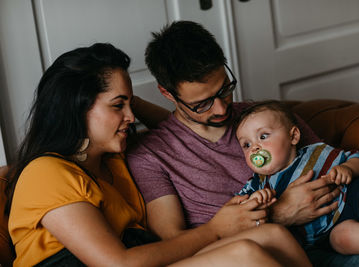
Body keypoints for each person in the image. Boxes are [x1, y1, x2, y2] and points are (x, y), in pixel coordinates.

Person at [4, 43, 311, 266]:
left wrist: (136, 102)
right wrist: (217, 229)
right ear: (76, 108)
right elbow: (117, 264)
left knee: (272, 236)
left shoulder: (115, 163)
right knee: (245, 254)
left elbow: (177, 129)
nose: (130, 115)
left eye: (131, 104)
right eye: (118, 105)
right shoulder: (46, 173)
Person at [127, 20, 359, 266]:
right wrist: (280, 213)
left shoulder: (267, 119)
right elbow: (172, 243)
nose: (222, 109)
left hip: (340, 233)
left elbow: (328, 164)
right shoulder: (151, 157)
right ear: (167, 93)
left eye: (225, 89)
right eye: (202, 104)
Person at [236, 100, 359, 255]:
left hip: (352, 195)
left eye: (263, 136)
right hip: (330, 231)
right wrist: (255, 203)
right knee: (342, 240)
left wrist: (348, 168)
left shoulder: (315, 153)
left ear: (293, 136)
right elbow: (243, 214)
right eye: (246, 145)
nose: (255, 148)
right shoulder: (257, 184)